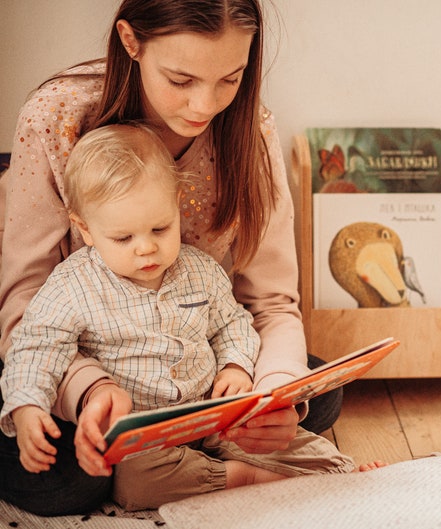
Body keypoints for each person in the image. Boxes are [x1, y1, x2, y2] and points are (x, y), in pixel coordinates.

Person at [0, 0, 343, 516]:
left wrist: (274, 392)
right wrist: (88, 390)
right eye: (180, 79)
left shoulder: (250, 130)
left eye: (230, 78)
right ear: (131, 42)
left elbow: (269, 304)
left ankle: (207, 454)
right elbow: (28, 317)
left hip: (198, 365)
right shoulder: (57, 117)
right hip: (84, 362)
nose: (204, 106)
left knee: (317, 396)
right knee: (61, 482)